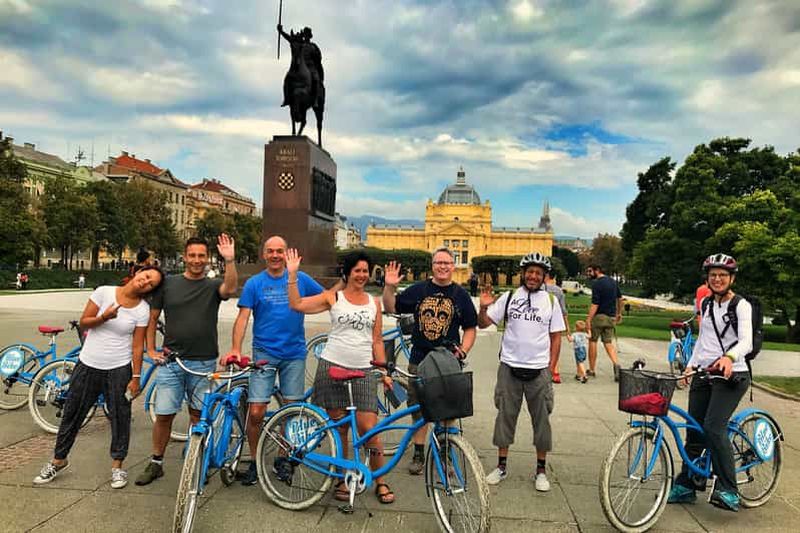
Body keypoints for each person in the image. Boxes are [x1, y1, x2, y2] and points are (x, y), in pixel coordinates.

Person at [33, 266, 165, 488]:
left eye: (151, 283)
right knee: (72, 414)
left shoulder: (142, 310)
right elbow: (84, 322)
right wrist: (104, 316)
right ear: (138, 273)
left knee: (120, 417)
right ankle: (58, 460)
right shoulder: (104, 292)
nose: (146, 281)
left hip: (119, 369)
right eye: (146, 276)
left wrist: (135, 377)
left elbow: (136, 346)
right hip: (88, 364)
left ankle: (117, 467)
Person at [286, 249, 395, 504]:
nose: (361, 275)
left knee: (370, 428)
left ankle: (380, 479)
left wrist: (383, 370)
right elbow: (297, 304)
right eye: (357, 270)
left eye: (365, 271)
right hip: (333, 367)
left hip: (363, 369)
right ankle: (343, 477)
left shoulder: (373, 303)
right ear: (347, 273)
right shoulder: (333, 297)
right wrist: (292, 276)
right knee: (342, 428)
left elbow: (376, 340)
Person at [135, 235, 238, 486]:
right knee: (164, 414)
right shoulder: (168, 284)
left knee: (197, 414)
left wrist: (230, 260)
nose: (196, 260)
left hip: (203, 362)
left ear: (207, 258)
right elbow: (152, 317)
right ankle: (156, 462)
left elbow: (231, 288)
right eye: (192, 255)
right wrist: (150, 349)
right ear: (184, 256)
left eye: (201, 256)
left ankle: (198, 459)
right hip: (171, 361)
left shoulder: (213, 285)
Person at [226, 236, 323, 485]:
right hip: (264, 353)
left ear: (287, 253)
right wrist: (236, 348)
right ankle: (255, 458)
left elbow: (327, 298)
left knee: (291, 410)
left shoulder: (300, 279)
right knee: (256, 411)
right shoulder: (254, 283)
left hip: (294, 354)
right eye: (271, 251)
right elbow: (242, 318)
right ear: (264, 254)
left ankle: (283, 458)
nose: (276, 255)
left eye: (280, 250)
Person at [668, 254, 752, 512]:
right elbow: (703, 341)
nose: (717, 279)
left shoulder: (741, 305)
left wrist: (729, 357)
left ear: (732, 278)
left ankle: (729, 489)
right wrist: (691, 366)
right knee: (694, 430)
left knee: (714, 428)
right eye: (713, 275)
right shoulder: (705, 304)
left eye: (723, 275)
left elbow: (746, 341)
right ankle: (689, 484)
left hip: (732, 374)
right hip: (705, 372)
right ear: (708, 278)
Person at [382, 247, 477, 475]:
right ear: (432, 265)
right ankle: (419, 452)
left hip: (447, 362)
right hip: (419, 360)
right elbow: (390, 307)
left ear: (453, 266)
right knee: (418, 409)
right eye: (438, 262)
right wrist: (389, 286)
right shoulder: (419, 290)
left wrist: (462, 351)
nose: (442, 266)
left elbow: (471, 328)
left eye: (446, 263)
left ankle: (444, 454)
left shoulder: (460, 295)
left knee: (448, 411)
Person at [477, 252, 564, 492]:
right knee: (505, 417)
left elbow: (556, 337)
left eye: (538, 273)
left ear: (544, 276)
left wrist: (551, 368)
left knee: (542, 422)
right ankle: (501, 466)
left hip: (538, 371)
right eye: (530, 272)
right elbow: (484, 324)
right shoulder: (510, 297)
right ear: (523, 273)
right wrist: (484, 308)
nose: (533, 276)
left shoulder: (551, 302)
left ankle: (541, 470)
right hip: (509, 367)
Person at [585, 263, 622, 381]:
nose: (589, 274)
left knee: (593, 340)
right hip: (611, 318)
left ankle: (591, 369)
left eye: (590, 271)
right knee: (608, 343)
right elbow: (620, 298)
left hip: (599, 317)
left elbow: (595, 304)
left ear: (597, 270)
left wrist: (588, 319)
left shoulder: (597, 284)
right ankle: (616, 364)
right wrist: (619, 313)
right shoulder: (612, 282)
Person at [544, 270, 571, 383]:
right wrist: (567, 328)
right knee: (554, 346)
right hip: (555, 321)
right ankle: (555, 371)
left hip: (543, 321)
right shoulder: (558, 291)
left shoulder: (541, 288)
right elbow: (563, 311)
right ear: (553, 277)